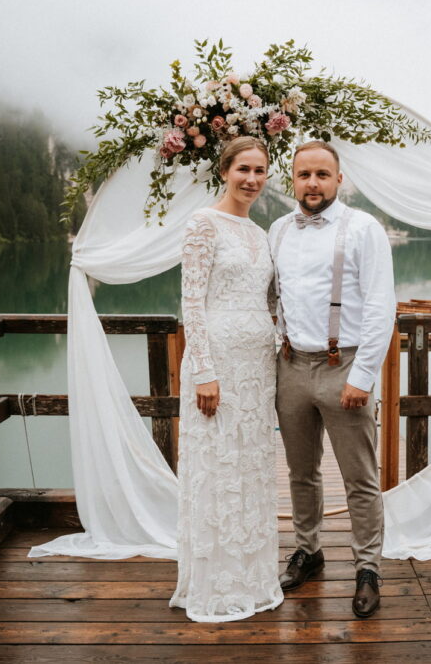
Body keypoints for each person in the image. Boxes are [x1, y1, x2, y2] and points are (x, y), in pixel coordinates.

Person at [268, 141, 397, 618]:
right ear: (293, 180)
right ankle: (309, 550)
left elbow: (382, 307)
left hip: (345, 365)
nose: (313, 183)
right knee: (301, 472)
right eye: (304, 175)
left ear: (339, 179)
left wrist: (362, 376)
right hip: (291, 366)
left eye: (323, 174)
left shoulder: (363, 228)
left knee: (360, 479)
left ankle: (368, 568)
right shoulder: (278, 229)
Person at [169, 137, 283, 622]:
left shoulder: (261, 234)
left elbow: (270, 299)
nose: (252, 179)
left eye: (260, 170)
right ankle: (216, 584)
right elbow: (191, 301)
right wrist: (204, 372)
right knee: (218, 467)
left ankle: (254, 578)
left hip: (259, 367)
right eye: (243, 169)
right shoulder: (202, 224)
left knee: (251, 468)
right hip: (218, 365)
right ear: (225, 171)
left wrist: (276, 339)